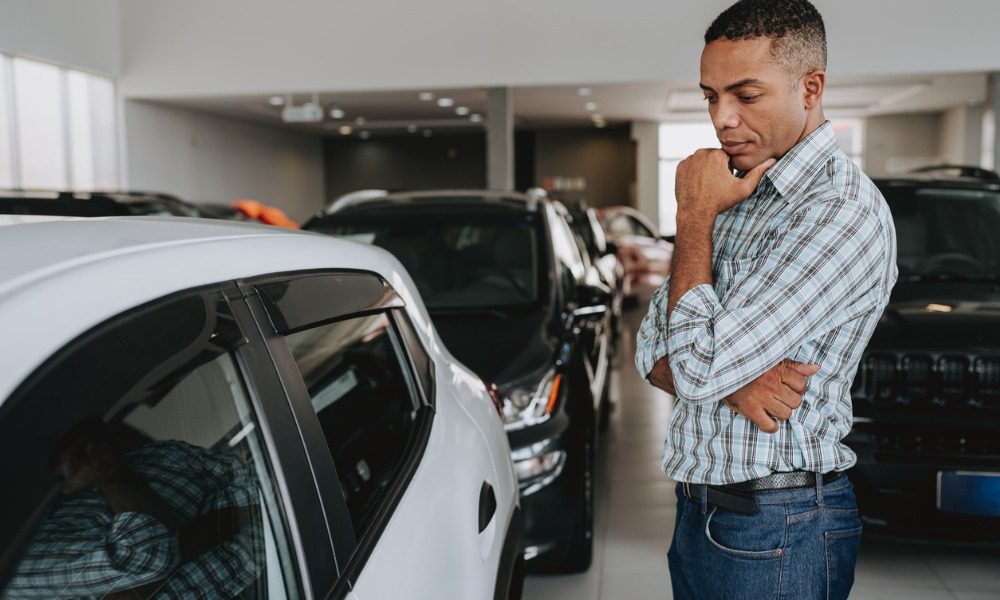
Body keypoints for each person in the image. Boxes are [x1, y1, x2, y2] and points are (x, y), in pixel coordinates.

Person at [634, 1, 897, 598]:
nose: (722, 119)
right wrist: (733, 381)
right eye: (710, 96)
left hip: (779, 525)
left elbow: (694, 364)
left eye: (746, 95)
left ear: (811, 88)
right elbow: (649, 348)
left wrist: (693, 215)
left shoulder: (838, 212)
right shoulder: (739, 191)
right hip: (701, 511)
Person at [6, 418, 263, 599]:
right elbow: (147, 559)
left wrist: (177, 548)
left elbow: (258, 483)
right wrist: (112, 476)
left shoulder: (159, 456)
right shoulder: (18, 561)